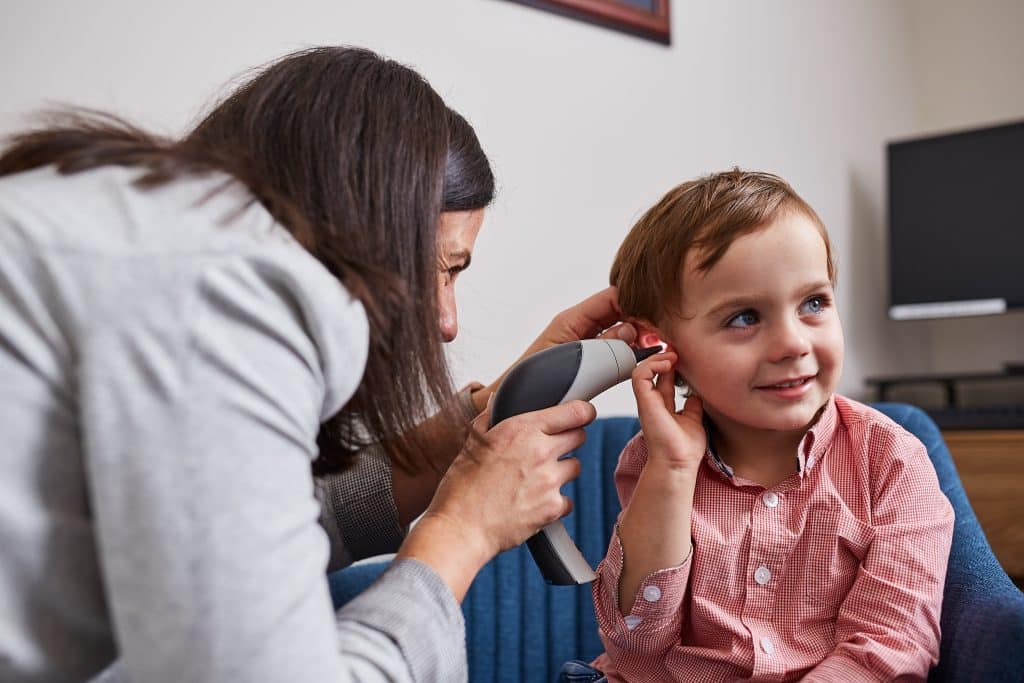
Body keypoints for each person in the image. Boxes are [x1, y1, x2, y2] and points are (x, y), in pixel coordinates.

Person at [0, 46, 635, 682]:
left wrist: (480, 421)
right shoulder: (220, 290)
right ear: (360, 225)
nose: (447, 324)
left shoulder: (137, 226)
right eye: (439, 269)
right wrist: (462, 532)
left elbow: (250, 536)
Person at [569, 170, 954, 682]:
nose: (793, 343)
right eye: (745, 317)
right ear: (662, 350)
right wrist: (675, 469)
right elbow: (637, 645)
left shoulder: (891, 462)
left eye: (813, 303)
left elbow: (891, 646)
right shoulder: (654, 463)